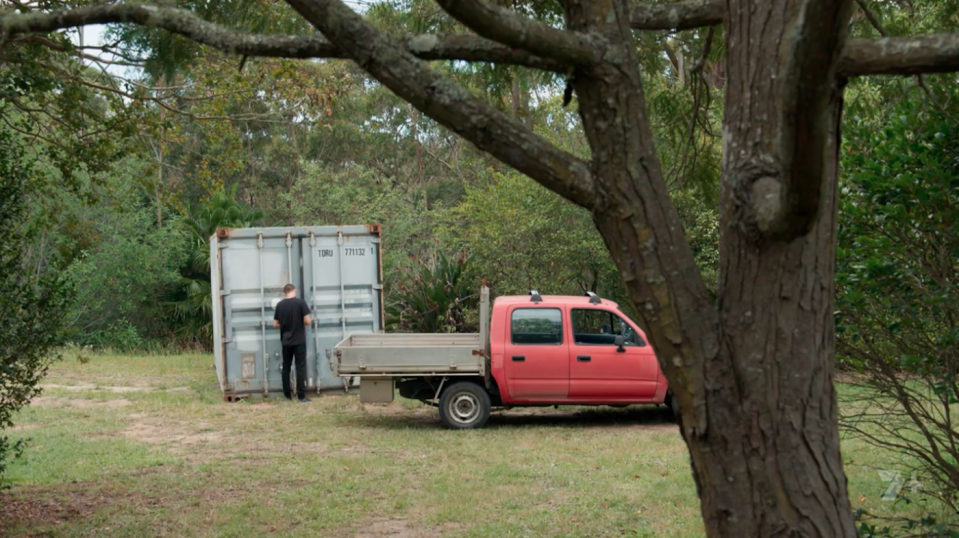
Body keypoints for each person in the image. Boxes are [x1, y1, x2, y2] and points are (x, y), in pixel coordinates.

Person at [273, 283, 312, 402]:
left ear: (285, 292)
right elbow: (308, 321)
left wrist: (284, 324)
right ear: (293, 291)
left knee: (286, 368)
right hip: (299, 341)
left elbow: (275, 324)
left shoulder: (279, 305)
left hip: (286, 342)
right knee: (300, 367)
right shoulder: (300, 303)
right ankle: (301, 396)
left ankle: (287, 396)